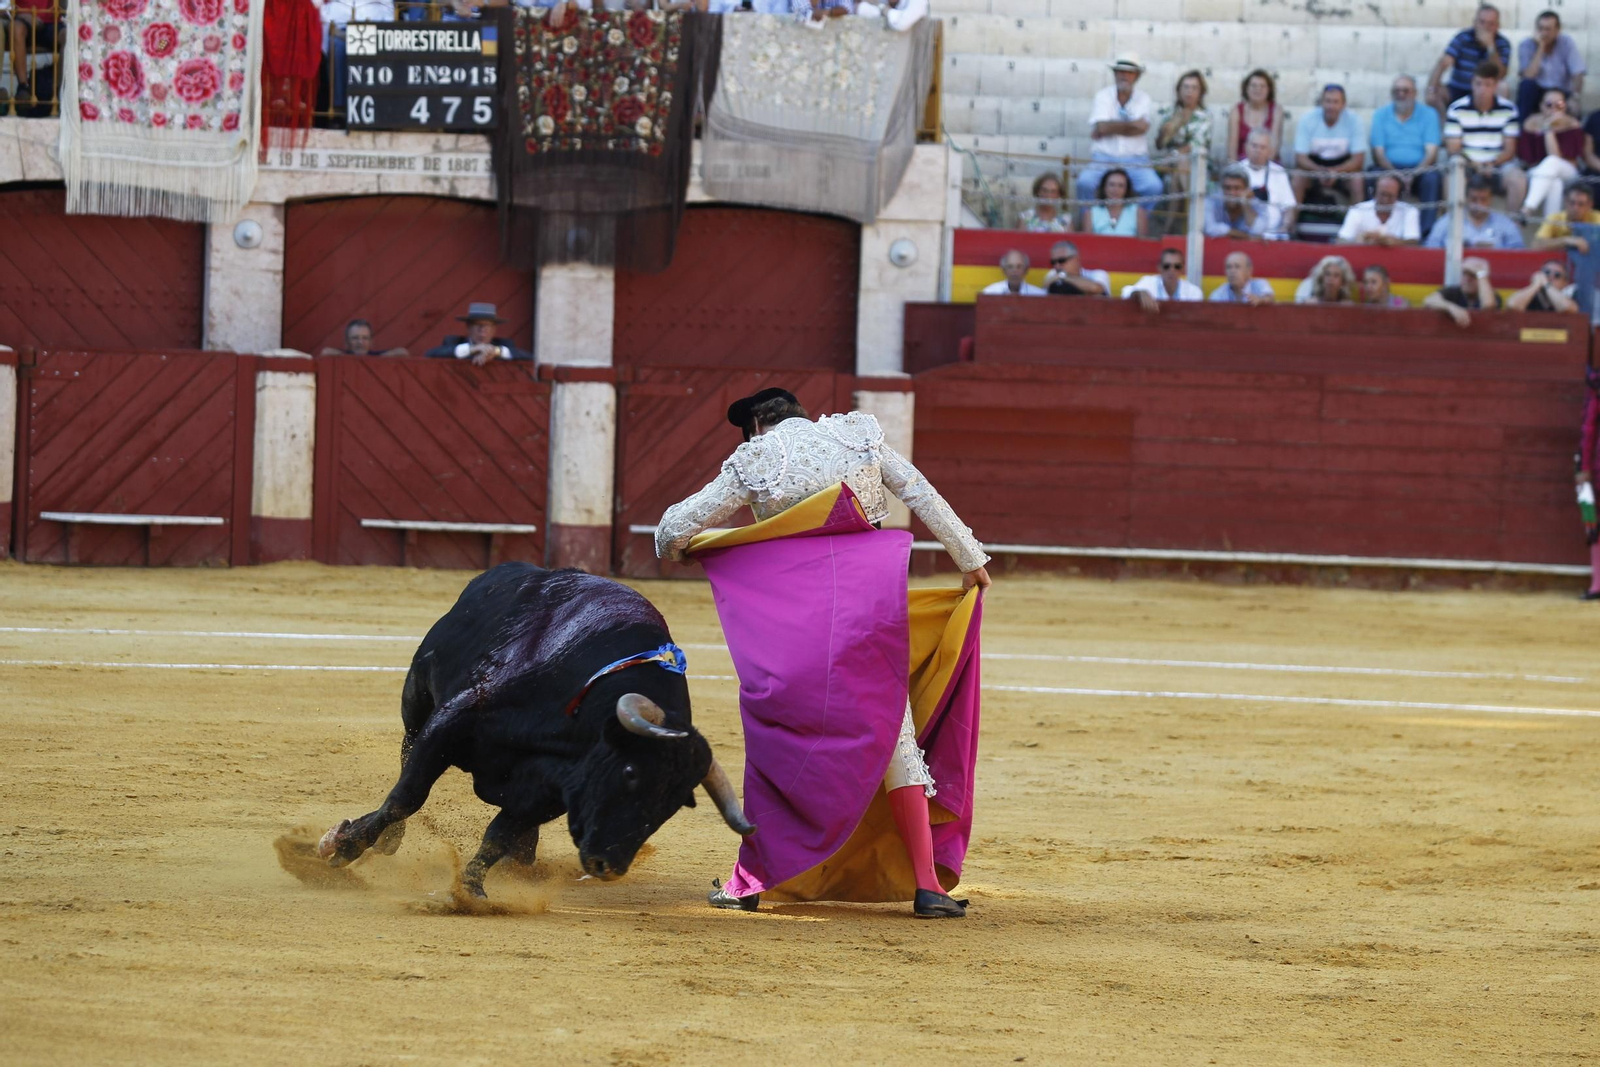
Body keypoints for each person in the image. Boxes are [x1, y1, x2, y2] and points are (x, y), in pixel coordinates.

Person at [655, 389, 990, 919]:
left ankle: (749, 886)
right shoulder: (858, 437)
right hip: (867, 615)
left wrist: (687, 548)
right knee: (894, 738)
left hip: (792, 629)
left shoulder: (756, 457)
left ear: (759, 424)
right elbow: (920, 493)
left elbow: (674, 528)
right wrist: (970, 558)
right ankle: (929, 887)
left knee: (780, 746)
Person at [1076, 55, 1164, 205]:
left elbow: (1142, 129)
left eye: (1129, 72)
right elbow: (1101, 127)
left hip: (1136, 159)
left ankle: (1137, 223)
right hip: (1103, 157)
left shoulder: (1144, 98)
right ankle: (1089, 225)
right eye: (1120, 71)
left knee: (1153, 187)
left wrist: (1109, 127)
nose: (1124, 75)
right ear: (1115, 74)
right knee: (1084, 183)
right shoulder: (1103, 95)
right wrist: (1132, 125)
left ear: (1137, 76)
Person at [1443, 62, 1527, 209]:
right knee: (1453, 174)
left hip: (1497, 166)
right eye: (1478, 84)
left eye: (1487, 85)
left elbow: (1510, 150)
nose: (1482, 89)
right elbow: (1453, 148)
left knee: (1518, 179)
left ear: (1495, 86)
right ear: (1472, 84)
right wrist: (1475, 164)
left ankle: (1513, 227)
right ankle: (1453, 226)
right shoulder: (1456, 108)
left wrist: (1491, 164)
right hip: (1467, 165)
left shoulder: (1509, 109)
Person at [1368, 75, 1443, 233]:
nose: (1401, 94)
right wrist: (1397, 175)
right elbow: (1379, 154)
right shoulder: (1380, 115)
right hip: (1389, 168)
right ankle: (1372, 228)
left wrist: (1413, 174)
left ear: (1415, 93)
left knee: (1433, 178)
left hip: (1419, 169)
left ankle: (1425, 232)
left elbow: (1431, 153)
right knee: (1372, 174)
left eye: (1406, 91)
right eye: (1397, 91)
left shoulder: (1429, 115)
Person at [1426, 3, 1511, 115]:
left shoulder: (1503, 44)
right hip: (1458, 88)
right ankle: (1447, 128)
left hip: (1485, 91)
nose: (1485, 27)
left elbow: (1500, 75)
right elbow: (1443, 63)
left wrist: (1491, 48)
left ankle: (1493, 124)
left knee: (1503, 87)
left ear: (1497, 26)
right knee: (1434, 94)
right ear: (1474, 22)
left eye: (1490, 24)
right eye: (1481, 22)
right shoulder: (1462, 37)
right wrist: (1431, 89)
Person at [1292, 84, 1367, 208]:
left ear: (1343, 104)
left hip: (1344, 168)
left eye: (1336, 102)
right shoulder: (1307, 119)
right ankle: (1289, 223)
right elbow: (1300, 158)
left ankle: (1357, 224)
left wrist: (1335, 172)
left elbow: (1358, 159)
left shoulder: (1355, 121)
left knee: (1357, 180)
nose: (1331, 106)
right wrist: (1319, 171)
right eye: (1327, 101)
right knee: (1298, 177)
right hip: (1314, 167)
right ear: (1322, 102)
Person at [1520, 88, 1583, 218]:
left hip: (1568, 171)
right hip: (1538, 172)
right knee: (1555, 183)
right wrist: (1547, 126)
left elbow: (1556, 156)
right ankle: (1550, 227)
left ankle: (1528, 208)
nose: (1553, 109)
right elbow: (1529, 160)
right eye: (1549, 105)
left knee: (1552, 161)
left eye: (1559, 105)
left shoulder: (1572, 124)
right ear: (1541, 106)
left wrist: (1549, 129)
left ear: (1565, 106)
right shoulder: (1531, 123)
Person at [1423, 173, 1526, 248]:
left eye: (1483, 199)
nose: (1478, 204)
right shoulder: (1448, 221)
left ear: (1491, 199)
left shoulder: (1504, 223)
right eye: (1474, 199)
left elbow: (1518, 252)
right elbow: (1430, 248)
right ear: (1466, 198)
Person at [1516, 10, 1585, 122]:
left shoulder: (1566, 43)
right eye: (1540, 28)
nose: (1543, 33)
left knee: (1573, 106)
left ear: (1557, 30)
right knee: (1526, 86)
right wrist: (1541, 47)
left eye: (1548, 29)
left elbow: (1578, 72)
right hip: (1537, 92)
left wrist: (1575, 96)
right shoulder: (1526, 45)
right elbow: (1528, 76)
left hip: (1560, 92)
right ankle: (1523, 133)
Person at [1155, 70, 1211, 196]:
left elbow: (1196, 144)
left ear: (1200, 92)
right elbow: (1159, 145)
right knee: (1179, 166)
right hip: (1168, 163)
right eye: (1185, 87)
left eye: (1194, 88)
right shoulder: (1169, 112)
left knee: (1182, 165)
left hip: (1195, 162)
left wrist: (1174, 155)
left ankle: (1175, 214)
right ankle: (1188, 212)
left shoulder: (1205, 116)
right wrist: (1168, 129)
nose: (1189, 92)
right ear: (1179, 90)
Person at [424, 302, 532, 363]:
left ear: (494, 329)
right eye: (477, 324)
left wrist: (495, 351)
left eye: (487, 325)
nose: (482, 329)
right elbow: (430, 354)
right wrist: (471, 349)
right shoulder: (453, 341)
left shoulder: (505, 344)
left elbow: (530, 358)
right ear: (468, 328)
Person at [1337, 173, 1422, 246]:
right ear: (1374, 193)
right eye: (1382, 194)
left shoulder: (1409, 211)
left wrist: (1397, 242)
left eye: (1390, 196)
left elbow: (1414, 242)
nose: (1385, 200)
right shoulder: (1358, 210)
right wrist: (1360, 241)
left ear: (1398, 196)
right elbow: (1340, 241)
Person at [1241, 129, 1297, 236]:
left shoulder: (1279, 172)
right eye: (1254, 146)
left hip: (1273, 233)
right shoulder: (1237, 170)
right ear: (1246, 147)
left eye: (1262, 147)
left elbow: (1289, 207)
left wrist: (1285, 227)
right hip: (1243, 233)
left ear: (1270, 151)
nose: (1258, 150)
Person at [1423, 256, 1503, 326]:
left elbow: (1488, 306)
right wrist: (1451, 307)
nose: (1467, 279)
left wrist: (1481, 273)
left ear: (1483, 280)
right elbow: (1429, 300)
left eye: (1473, 275)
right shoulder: (1454, 292)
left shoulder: (1490, 294)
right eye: (1464, 274)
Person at [1226, 69, 1283, 162]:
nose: (1258, 89)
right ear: (1246, 88)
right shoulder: (1236, 110)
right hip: (1241, 165)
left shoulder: (1276, 110)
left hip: (1268, 164)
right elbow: (1231, 150)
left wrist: (1260, 171)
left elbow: (1274, 148)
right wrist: (1236, 171)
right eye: (1253, 85)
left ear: (1269, 90)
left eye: (1262, 86)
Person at [1204, 166, 1272, 240]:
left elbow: (1258, 231)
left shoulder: (1257, 204)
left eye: (1237, 188)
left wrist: (1245, 204)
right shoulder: (1212, 200)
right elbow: (1210, 229)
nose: (1231, 193)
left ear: (1247, 189)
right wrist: (1246, 236)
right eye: (1227, 188)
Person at [1122, 248, 1202, 309]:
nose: (1172, 270)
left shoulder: (1193, 292)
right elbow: (1125, 293)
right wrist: (1138, 293)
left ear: (1183, 269)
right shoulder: (1148, 282)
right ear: (1159, 268)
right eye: (1166, 266)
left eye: (1177, 266)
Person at [1532, 183, 1600, 252]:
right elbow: (1536, 245)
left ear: (1589, 205)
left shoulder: (1597, 218)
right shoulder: (1555, 218)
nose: (1575, 208)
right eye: (1572, 203)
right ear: (1566, 201)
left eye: (1581, 204)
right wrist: (1565, 240)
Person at [1084, 169, 1147, 236]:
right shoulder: (1090, 213)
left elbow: (1143, 243)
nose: (1116, 189)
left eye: (1121, 186)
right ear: (1104, 187)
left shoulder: (1138, 212)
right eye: (1112, 185)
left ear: (1126, 189)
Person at [1043, 241, 1110, 297]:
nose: (1057, 266)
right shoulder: (1052, 274)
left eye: (1061, 261)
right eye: (1053, 262)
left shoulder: (1098, 274)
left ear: (1076, 259)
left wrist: (1063, 276)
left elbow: (1096, 288)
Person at [1505, 260, 1579, 311]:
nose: (1550, 277)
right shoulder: (1530, 296)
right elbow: (1512, 305)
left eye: (1557, 275)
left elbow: (1567, 308)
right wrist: (1535, 285)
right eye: (1546, 272)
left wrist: (1546, 285)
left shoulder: (1569, 297)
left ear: (1565, 283)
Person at [1209, 251, 1275, 305]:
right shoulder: (1219, 293)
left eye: (1237, 267)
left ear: (1248, 271)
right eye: (1229, 267)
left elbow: (1270, 298)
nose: (1232, 271)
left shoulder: (1260, 284)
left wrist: (1260, 300)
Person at [320, 319, 409, 357]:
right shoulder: (344, 355)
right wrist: (350, 359)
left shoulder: (375, 356)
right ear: (347, 342)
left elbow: (402, 352)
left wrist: (374, 360)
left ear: (371, 342)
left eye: (365, 338)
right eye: (355, 338)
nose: (360, 342)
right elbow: (326, 352)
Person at [1294, 255, 1358, 305]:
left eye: (1336, 275)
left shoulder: (1348, 307)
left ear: (1343, 282)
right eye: (1327, 274)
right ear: (1321, 278)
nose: (1331, 278)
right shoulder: (1310, 304)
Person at [979, 250, 1047, 296]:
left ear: (1026, 270)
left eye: (1019, 266)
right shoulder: (990, 293)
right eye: (1010, 267)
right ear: (1004, 270)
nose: (1014, 270)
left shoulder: (1039, 295)